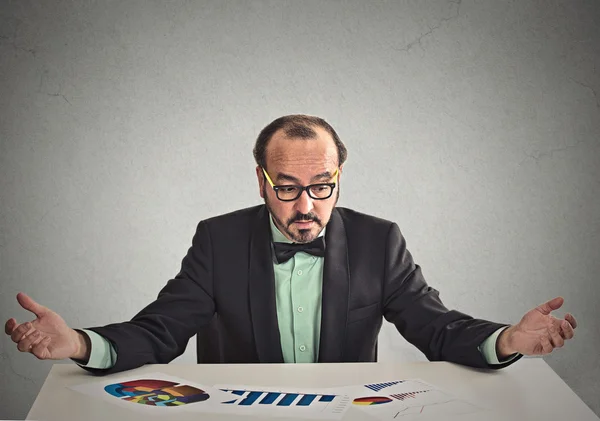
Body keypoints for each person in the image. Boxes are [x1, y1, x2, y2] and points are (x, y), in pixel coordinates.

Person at [5, 115, 577, 375]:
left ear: (340, 178)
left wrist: (507, 339)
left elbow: (437, 328)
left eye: (321, 187)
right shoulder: (218, 239)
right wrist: (80, 343)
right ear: (261, 180)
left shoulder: (381, 242)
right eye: (287, 188)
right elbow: (161, 331)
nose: (306, 206)